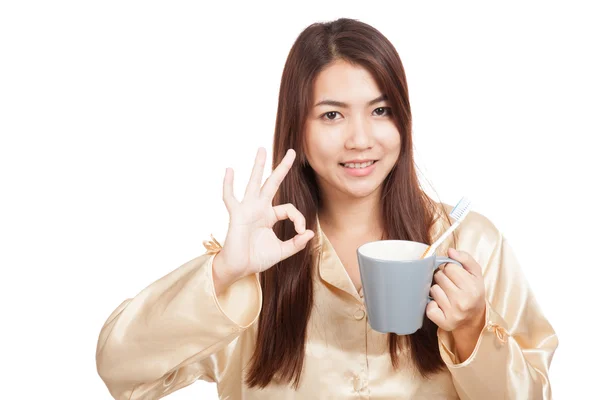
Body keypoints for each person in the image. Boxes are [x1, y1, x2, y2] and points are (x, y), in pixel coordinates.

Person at [95, 18, 558, 399]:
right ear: (297, 128)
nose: (360, 139)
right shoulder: (255, 262)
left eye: (380, 111)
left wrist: (473, 330)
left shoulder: (468, 244)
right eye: (332, 115)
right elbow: (120, 370)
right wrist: (221, 273)